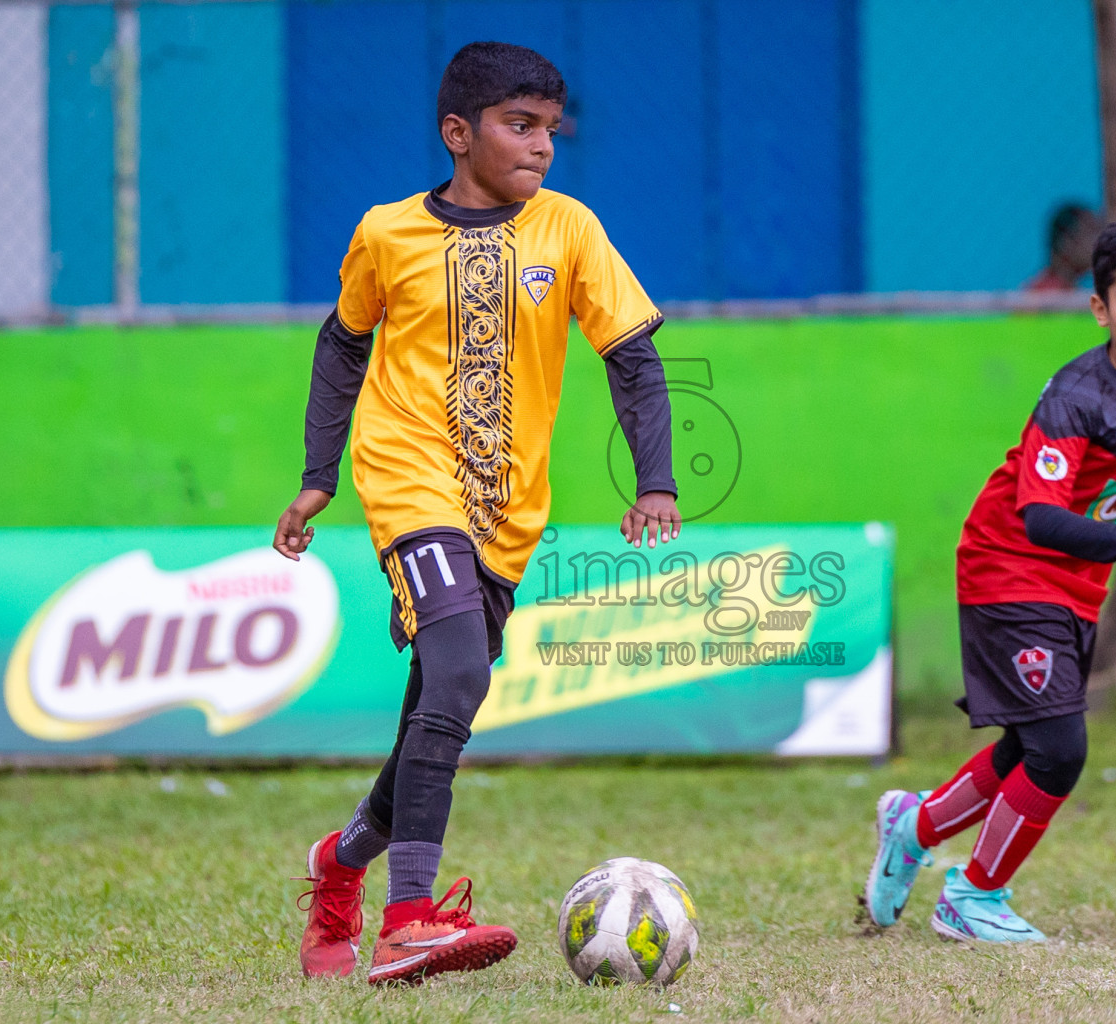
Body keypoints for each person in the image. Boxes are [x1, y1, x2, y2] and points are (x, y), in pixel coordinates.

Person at [274, 41, 681, 985]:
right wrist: (319, 475)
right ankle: (409, 921)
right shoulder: (385, 233)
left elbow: (634, 357)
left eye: (549, 130)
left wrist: (654, 480)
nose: (541, 147)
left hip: (509, 512)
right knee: (456, 673)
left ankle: (339, 869)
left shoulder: (569, 229)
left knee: (441, 700)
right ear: (458, 134)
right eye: (519, 126)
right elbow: (343, 347)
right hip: (408, 475)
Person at [864, 215, 1116, 942]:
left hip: (1076, 583)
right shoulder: (1077, 398)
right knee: (1060, 749)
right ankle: (974, 896)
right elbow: (1042, 516)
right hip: (1008, 563)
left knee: (1028, 745)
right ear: (1099, 308)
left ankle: (913, 826)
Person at [1025, 202, 1103, 292]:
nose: (1099, 240)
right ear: (1067, 243)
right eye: (1091, 232)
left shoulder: (1070, 290)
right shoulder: (1046, 295)